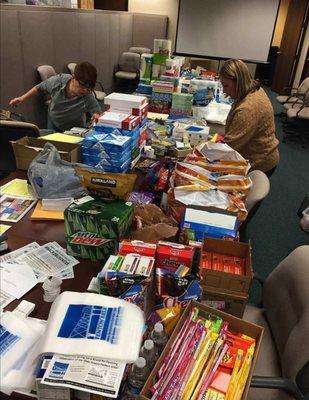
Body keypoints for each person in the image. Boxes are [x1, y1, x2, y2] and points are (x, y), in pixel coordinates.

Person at [219, 59, 279, 177]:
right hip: (262, 154)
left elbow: (229, 148)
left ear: (239, 81)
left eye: (226, 85)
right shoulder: (254, 89)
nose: (224, 90)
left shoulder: (247, 109)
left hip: (259, 163)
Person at [9, 61, 102, 132]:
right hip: (54, 121)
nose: (85, 90)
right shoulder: (58, 82)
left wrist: (96, 116)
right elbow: (39, 87)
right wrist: (22, 98)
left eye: (88, 87)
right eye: (82, 85)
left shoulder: (87, 95)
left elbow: (96, 111)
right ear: (73, 78)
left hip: (75, 128)